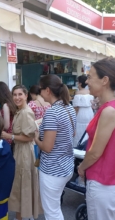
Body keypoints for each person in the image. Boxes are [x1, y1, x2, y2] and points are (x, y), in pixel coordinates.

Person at [77, 57, 115, 220]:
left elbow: (95, 152)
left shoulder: (110, 110)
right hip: (107, 180)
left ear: (105, 80)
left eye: (90, 76)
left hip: (104, 180)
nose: (87, 81)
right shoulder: (112, 108)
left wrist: (82, 167)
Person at [34, 75, 76, 220]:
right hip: (66, 165)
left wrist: (35, 138)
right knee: (55, 207)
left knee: (52, 211)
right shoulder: (69, 107)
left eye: (40, 89)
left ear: (47, 90)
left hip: (52, 169)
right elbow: (73, 132)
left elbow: (47, 147)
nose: (39, 93)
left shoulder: (52, 112)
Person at [1, 85, 42, 220]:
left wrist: (9, 136)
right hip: (20, 151)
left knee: (22, 186)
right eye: (14, 95)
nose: (17, 97)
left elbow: (29, 137)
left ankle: (21, 216)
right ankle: (23, 215)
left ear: (26, 96)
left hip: (24, 153)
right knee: (21, 186)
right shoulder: (20, 111)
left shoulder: (25, 112)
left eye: (20, 94)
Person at [72, 75, 94, 146]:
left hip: (81, 113)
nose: (77, 83)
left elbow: (76, 108)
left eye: (78, 82)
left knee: (79, 130)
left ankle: (79, 145)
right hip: (89, 112)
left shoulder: (78, 93)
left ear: (80, 83)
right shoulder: (90, 92)